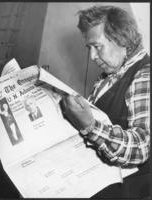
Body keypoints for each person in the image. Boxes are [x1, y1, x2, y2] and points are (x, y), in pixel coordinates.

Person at [61, 5, 150, 199]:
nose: (92, 56)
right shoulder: (109, 76)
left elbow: (141, 148)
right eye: (89, 48)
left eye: (97, 46)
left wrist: (90, 126)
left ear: (122, 40)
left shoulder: (144, 76)